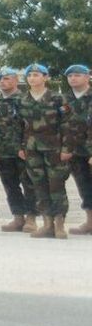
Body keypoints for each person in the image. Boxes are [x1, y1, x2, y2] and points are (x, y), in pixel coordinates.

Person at [18, 64, 82, 240]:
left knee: (56, 185)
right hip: (32, 149)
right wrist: (20, 147)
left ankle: (59, 224)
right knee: (39, 186)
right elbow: (18, 126)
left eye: (36, 75)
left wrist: (67, 148)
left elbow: (69, 125)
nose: (32, 78)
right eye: (29, 75)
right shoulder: (22, 100)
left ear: (45, 77)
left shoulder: (57, 99)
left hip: (54, 149)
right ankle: (47, 224)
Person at [0, 66, 37, 233]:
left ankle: (31, 218)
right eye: (1, 79)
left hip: (23, 152)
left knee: (29, 184)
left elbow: (31, 126)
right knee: (10, 186)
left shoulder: (25, 100)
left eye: (7, 78)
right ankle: (18, 217)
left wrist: (24, 146)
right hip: (3, 152)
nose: (3, 82)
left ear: (16, 80)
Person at [65, 64, 92, 235]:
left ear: (88, 76)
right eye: (70, 76)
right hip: (75, 151)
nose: (73, 78)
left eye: (77, 75)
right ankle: (90, 221)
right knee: (84, 186)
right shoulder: (64, 100)